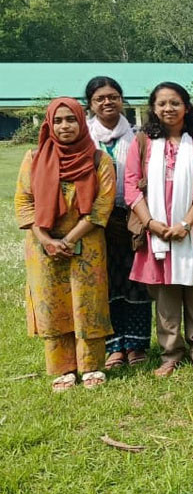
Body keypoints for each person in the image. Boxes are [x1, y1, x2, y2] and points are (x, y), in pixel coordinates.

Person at [16, 98, 116, 391]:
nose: (64, 126)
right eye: (57, 121)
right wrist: (48, 240)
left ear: (81, 122)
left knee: (88, 302)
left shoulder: (99, 160)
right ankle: (62, 367)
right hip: (42, 245)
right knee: (52, 302)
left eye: (70, 120)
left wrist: (69, 239)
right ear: (49, 124)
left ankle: (91, 366)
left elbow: (101, 207)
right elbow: (24, 202)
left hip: (87, 241)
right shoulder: (33, 159)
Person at [126, 82, 193, 378]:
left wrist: (186, 223)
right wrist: (151, 224)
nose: (168, 108)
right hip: (156, 231)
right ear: (153, 108)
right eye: (162, 103)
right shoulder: (143, 142)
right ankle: (170, 353)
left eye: (175, 103)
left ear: (187, 107)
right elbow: (130, 185)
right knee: (165, 294)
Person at [85, 77, 151, 369]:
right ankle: (114, 347)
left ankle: (137, 345)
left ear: (122, 100)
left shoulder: (139, 136)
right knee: (108, 283)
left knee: (137, 281)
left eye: (113, 96)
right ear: (90, 104)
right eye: (100, 98)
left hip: (133, 217)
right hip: (97, 221)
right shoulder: (84, 137)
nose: (107, 102)